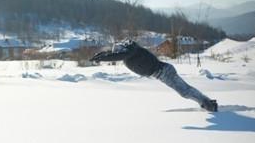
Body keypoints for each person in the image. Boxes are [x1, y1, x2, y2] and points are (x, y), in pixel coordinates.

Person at [90, 40, 218, 112]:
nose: (117, 53)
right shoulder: (128, 52)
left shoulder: (132, 50)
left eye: (119, 51)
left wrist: (104, 58)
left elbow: (119, 55)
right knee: (185, 90)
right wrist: (100, 55)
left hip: (164, 72)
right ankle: (206, 102)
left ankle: (207, 103)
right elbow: (114, 54)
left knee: (184, 91)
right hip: (162, 73)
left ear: (123, 49)